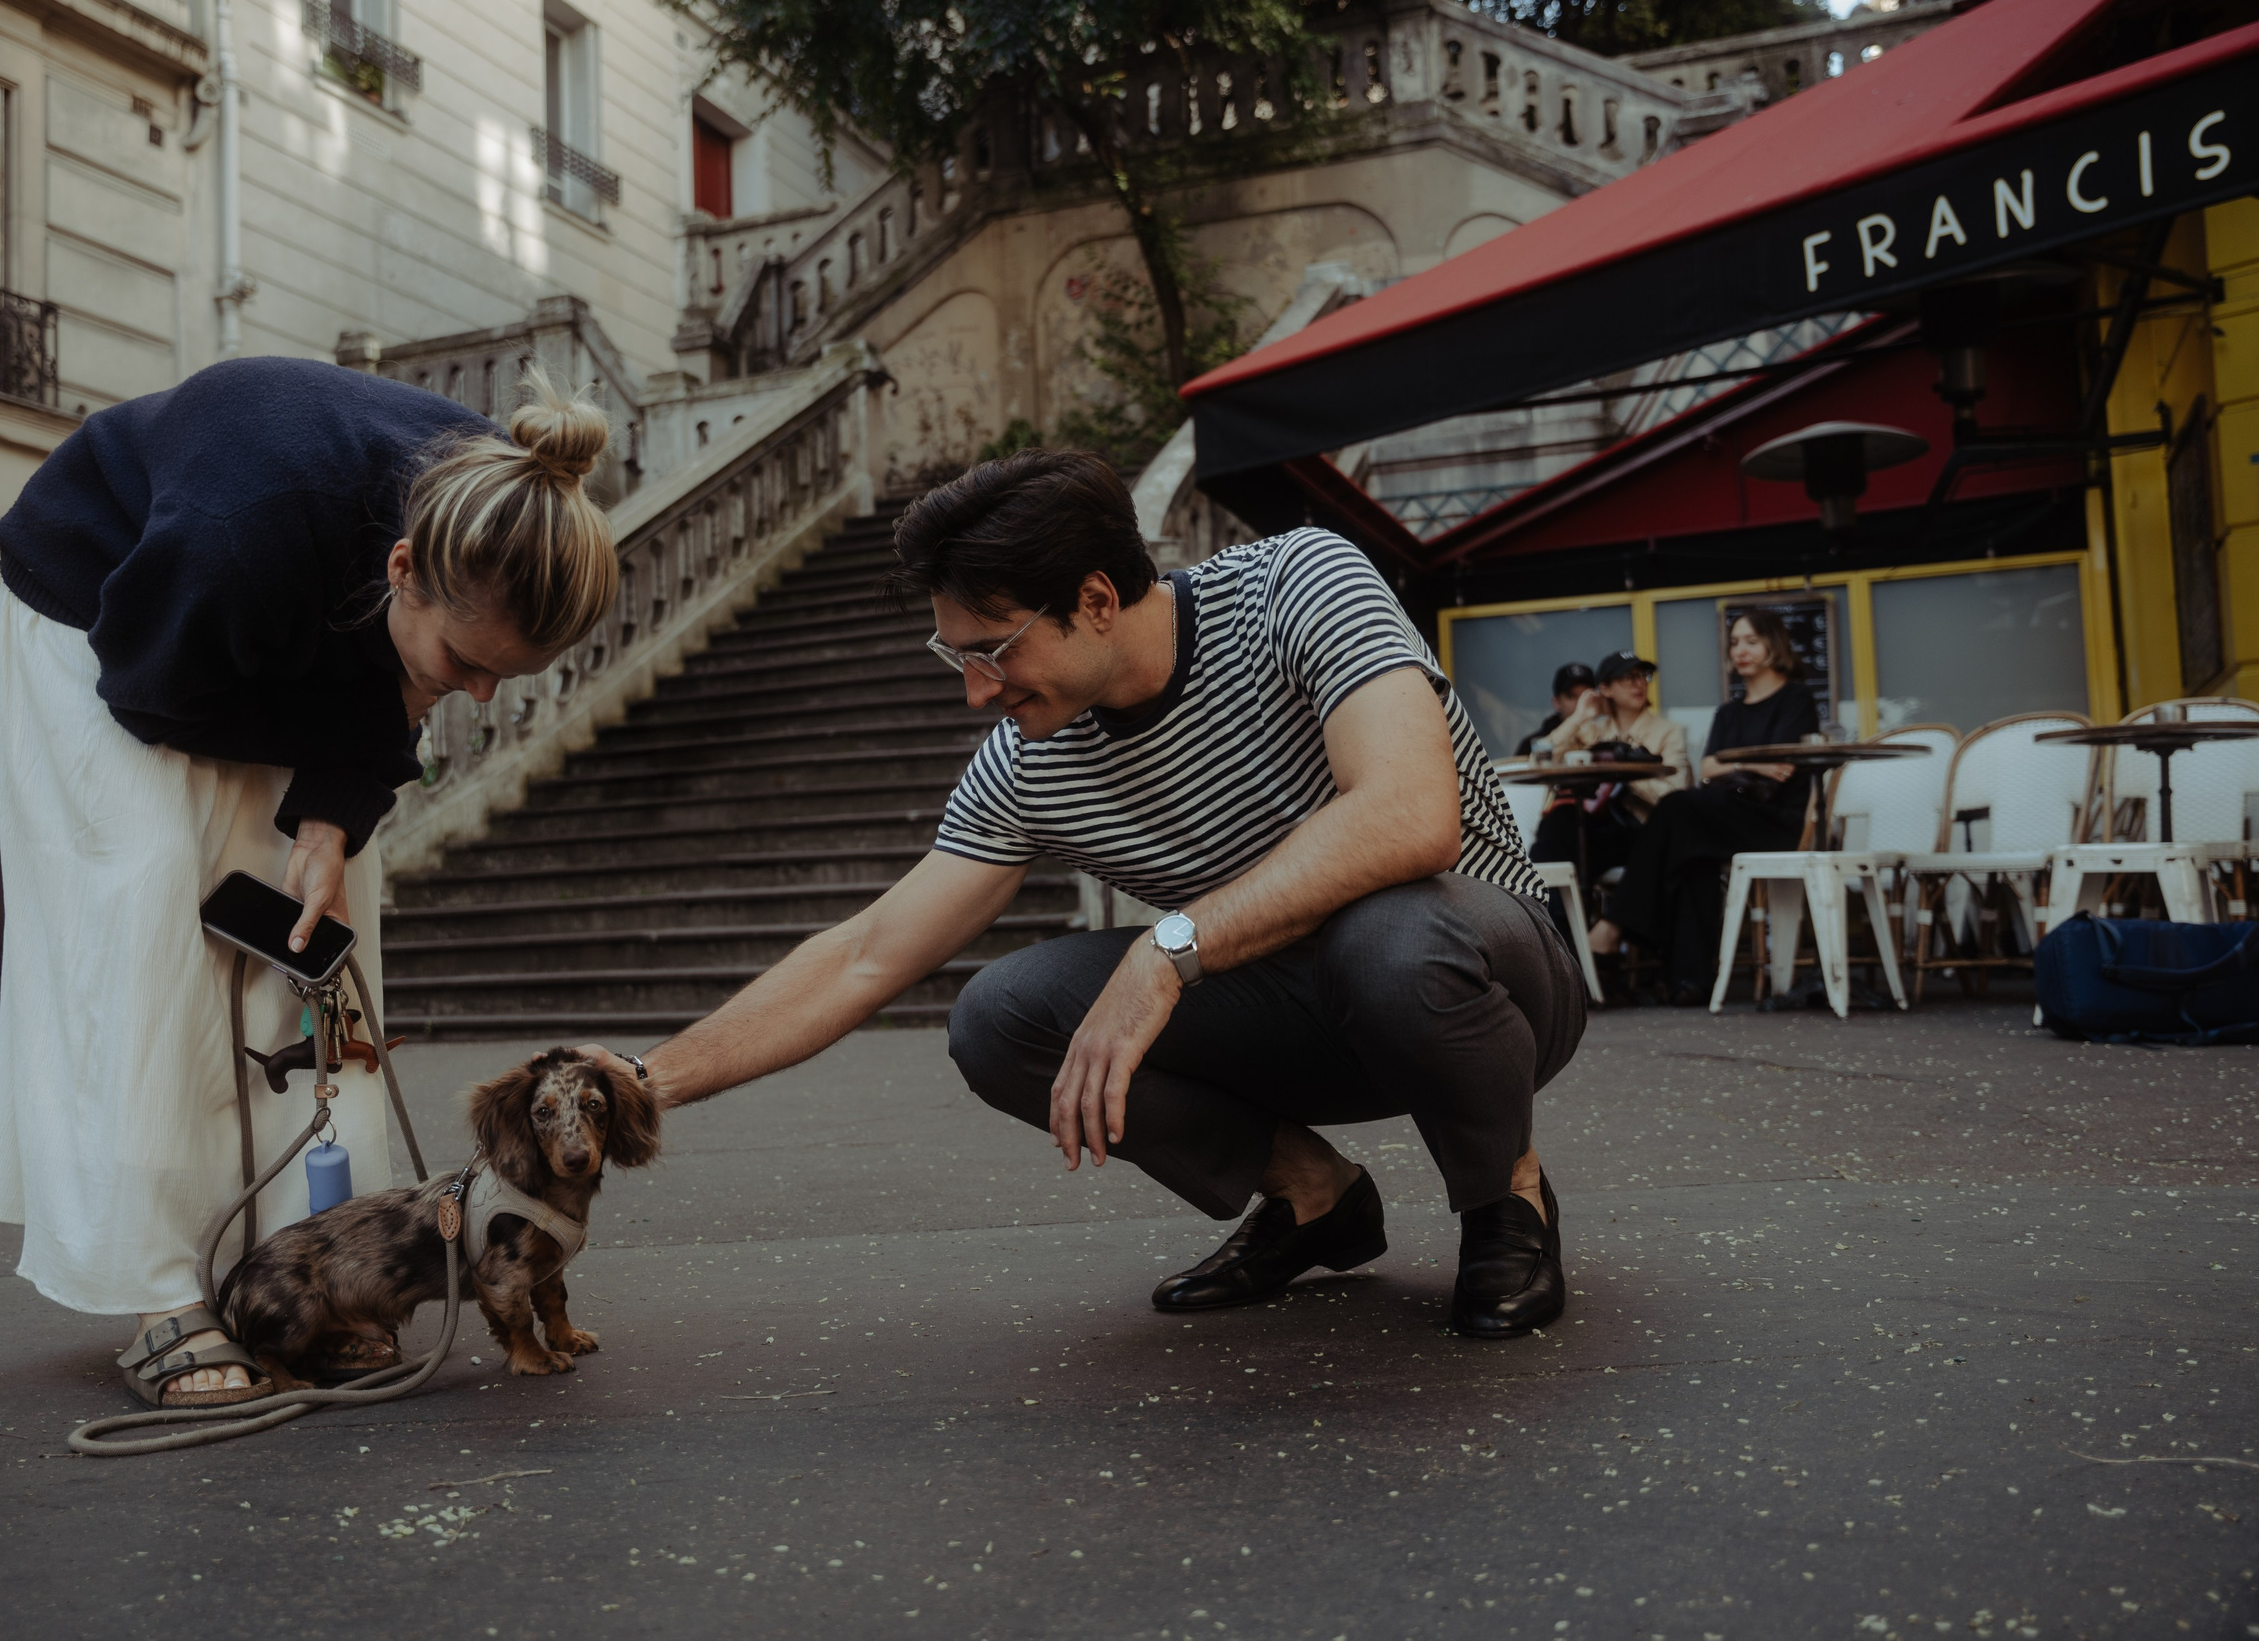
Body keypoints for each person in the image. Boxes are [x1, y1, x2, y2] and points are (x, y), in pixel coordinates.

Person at [568, 451, 1588, 1338]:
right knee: (1000, 1017)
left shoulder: (1299, 580)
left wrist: (1168, 946)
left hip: (1480, 976)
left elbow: (1409, 816)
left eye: (994, 648)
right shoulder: (1029, 762)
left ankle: (1506, 1199)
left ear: (1096, 600)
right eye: (953, 654)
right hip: (1296, 1015)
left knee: (1392, 941)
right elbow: (866, 953)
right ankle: (1314, 1199)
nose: (975, 690)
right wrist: (640, 1085)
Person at [0, 356, 621, 1408]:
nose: (476, 693)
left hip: (286, 610)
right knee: (144, 911)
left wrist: (332, 810)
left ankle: (314, 1268)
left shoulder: (499, 510)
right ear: (406, 569)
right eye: (467, 663)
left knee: (321, 937)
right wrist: (358, 749)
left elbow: (374, 705)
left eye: (506, 674)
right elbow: (154, 695)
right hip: (110, 610)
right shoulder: (236, 534)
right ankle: (157, 1293)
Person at [1585, 610, 1820, 1006]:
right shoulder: (1728, 712)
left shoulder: (1796, 699)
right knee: (1692, 857)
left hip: (1775, 820)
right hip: (1727, 813)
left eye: (1751, 641)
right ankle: (1688, 983)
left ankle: (1611, 929)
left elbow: (1782, 767)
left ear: (1773, 646)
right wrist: (1751, 763)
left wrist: (1737, 763)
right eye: (1734, 643)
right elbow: (1710, 766)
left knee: (1677, 808)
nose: (1740, 651)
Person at [1527, 650, 1691, 890]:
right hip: (1596, 828)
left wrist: (1625, 775)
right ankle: (1555, 915)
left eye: (1642, 676)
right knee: (1557, 826)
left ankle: (1553, 919)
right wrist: (1579, 717)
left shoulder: (1667, 731)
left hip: (1643, 832)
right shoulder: (1595, 731)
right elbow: (1539, 760)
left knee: (1561, 838)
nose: (1638, 684)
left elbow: (1673, 795)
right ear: (1605, 689)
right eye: (1627, 678)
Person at [1513, 661, 1597, 757]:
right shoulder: (1531, 744)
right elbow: (1538, 757)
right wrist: (1578, 718)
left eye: (1586, 695)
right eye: (1571, 697)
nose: (1581, 703)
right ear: (1557, 703)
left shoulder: (1605, 734)